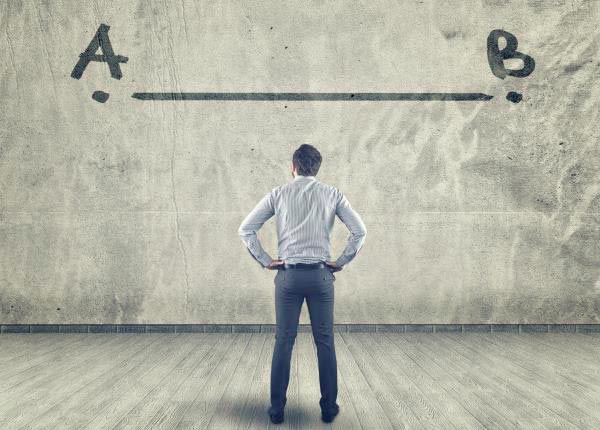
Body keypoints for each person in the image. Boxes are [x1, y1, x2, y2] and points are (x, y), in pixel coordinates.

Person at [238, 144, 367, 424]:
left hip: (288, 277)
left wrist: (265, 259)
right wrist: (341, 261)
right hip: (321, 277)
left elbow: (245, 229)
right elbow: (360, 231)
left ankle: (276, 411)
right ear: (316, 168)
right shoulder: (333, 194)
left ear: (293, 166)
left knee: (283, 342)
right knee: (325, 343)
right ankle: (329, 409)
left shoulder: (278, 194)